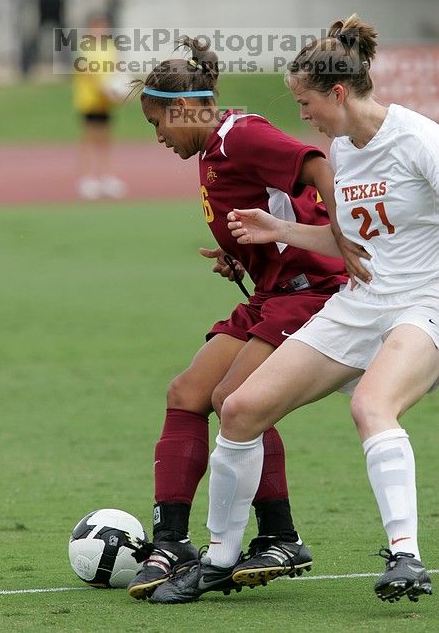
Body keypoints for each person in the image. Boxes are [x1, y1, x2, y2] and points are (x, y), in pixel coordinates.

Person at [149, 15, 439, 605]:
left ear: (335, 92)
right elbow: (347, 241)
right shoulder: (346, 152)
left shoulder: (417, 140)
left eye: (304, 101)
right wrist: (275, 229)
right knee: (241, 408)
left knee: (370, 404)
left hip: (422, 302)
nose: (299, 114)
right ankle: (220, 560)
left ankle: (404, 555)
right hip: (360, 304)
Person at [126, 35, 353, 601]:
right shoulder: (212, 149)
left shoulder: (241, 134)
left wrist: (344, 242)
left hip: (310, 289)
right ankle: (171, 541)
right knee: (187, 393)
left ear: (182, 109)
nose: (158, 138)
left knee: (235, 400)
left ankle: (279, 536)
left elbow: (316, 166)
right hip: (271, 292)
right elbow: (269, 208)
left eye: (159, 125)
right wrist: (240, 257)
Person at [73, 12, 128, 200]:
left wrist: (121, 90)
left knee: (105, 139)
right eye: (97, 26)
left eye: (103, 26)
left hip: (106, 102)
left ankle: (107, 177)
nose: (101, 30)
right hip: (90, 99)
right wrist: (106, 89)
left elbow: (116, 68)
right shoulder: (85, 47)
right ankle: (87, 178)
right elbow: (89, 72)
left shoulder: (110, 47)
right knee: (89, 137)